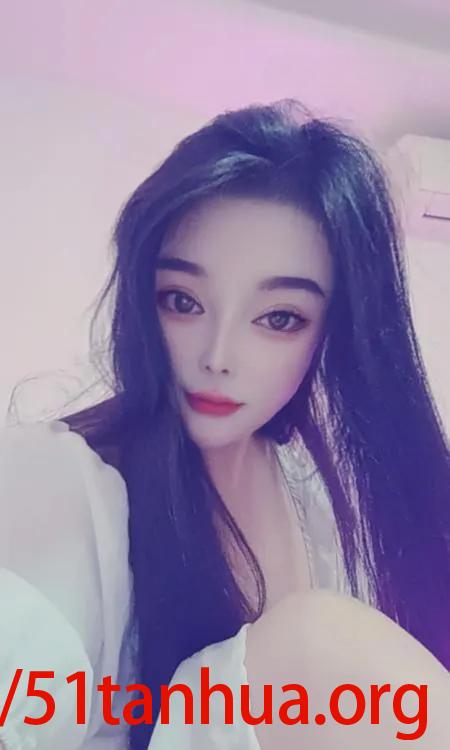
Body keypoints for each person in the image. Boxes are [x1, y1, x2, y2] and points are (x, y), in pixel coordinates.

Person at [1, 99, 449, 750]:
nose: (217, 356)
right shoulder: (65, 485)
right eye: (183, 302)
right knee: (316, 641)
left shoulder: (312, 492)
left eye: (278, 318)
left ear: (332, 333)